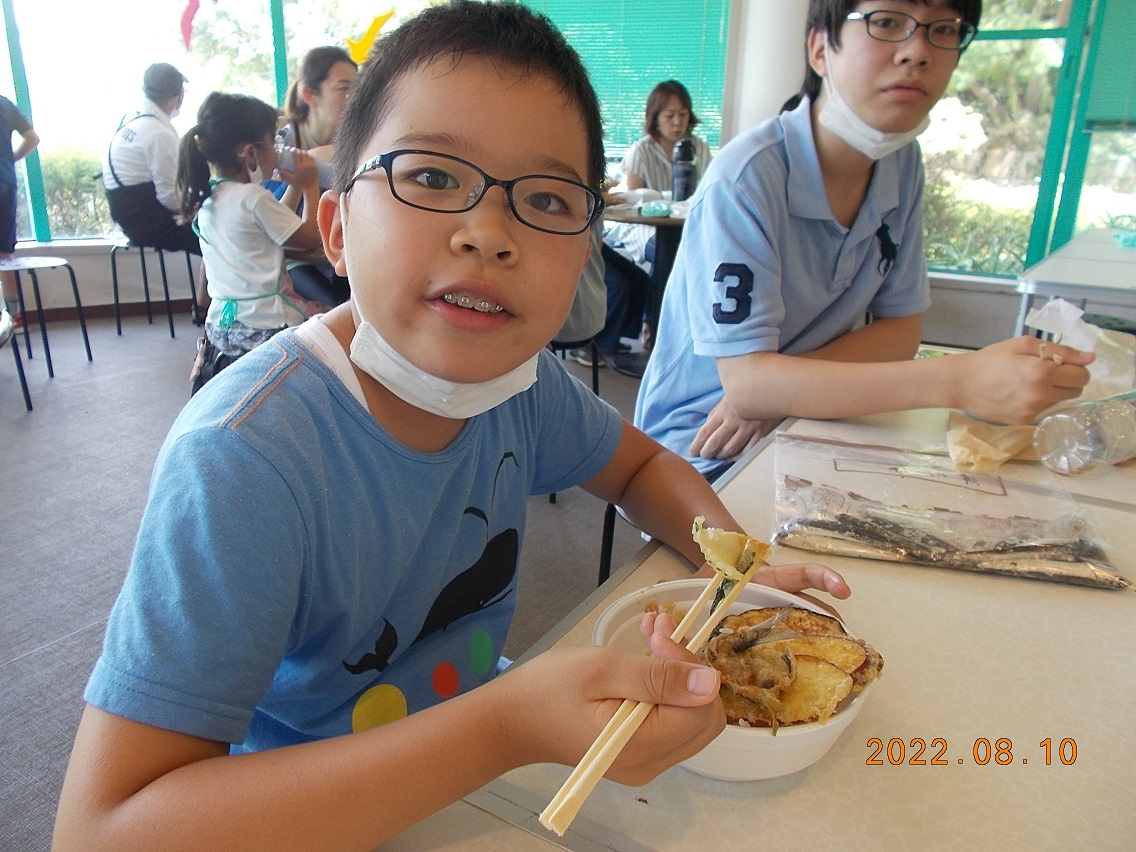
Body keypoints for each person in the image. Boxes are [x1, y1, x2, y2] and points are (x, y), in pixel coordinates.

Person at [53, 3, 849, 847]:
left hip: (473, 771)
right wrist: (505, 726)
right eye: (432, 177)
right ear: (337, 230)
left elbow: (640, 467)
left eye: (546, 198)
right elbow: (102, 831)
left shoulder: (520, 386)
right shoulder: (245, 459)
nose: (489, 235)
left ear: (586, 255)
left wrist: (732, 567)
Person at [634, 0, 1094, 481]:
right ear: (819, 50)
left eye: (943, 29)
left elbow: (900, 331)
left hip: (807, 423)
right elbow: (748, 385)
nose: (917, 51)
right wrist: (961, 379)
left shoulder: (901, 162)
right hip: (700, 450)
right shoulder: (748, 176)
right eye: (887, 22)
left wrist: (785, 393)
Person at [176, 92, 324, 393]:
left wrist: (294, 187)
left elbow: (276, 226)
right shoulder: (253, 198)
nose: (278, 151)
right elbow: (310, 236)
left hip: (223, 327)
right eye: (272, 142)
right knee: (333, 322)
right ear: (250, 153)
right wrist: (310, 186)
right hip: (267, 325)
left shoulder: (214, 196)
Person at [582, 80, 712, 370]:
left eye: (683, 114)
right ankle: (653, 331)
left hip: (683, 223)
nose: (677, 122)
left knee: (691, 255)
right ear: (655, 117)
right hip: (642, 225)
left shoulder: (698, 148)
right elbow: (633, 199)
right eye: (669, 115)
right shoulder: (641, 151)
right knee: (662, 254)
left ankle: (667, 333)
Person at [272, 46, 359, 308]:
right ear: (309, 95)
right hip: (293, 260)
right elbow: (270, 232)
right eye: (344, 89)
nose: (355, 98)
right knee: (338, 307)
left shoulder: (357, 142)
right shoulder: (279, 146)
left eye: (358, 88)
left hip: (338, 254)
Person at [102, 63, 201, 257]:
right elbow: (170, 197)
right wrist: (196, 209)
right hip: (147, 224)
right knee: (218, 236)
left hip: (127, 218)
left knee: (213, 233)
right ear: (179, 96)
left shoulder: (132, 118)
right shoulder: (159, 134)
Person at [0, 95, 38, 319]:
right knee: (4, 253)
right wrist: (10, 158)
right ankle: (14, 317)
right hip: (4, 181)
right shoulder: (4, 103)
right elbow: (32, 138)